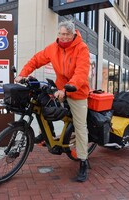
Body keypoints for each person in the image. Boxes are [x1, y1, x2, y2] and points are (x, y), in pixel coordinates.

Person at [15, 20, 90, 182]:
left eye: (66, 35)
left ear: (73, 34)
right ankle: (47, 135)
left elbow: (81, 72)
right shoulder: (53, 48)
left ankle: (84, 160)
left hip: (77, 92)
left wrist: (68, 88)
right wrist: (22, 74)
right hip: (60, 90)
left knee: (80, 126)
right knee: (42, 105)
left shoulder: (81, 48)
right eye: (61, 34)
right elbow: (36, 60)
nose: (63, 38)